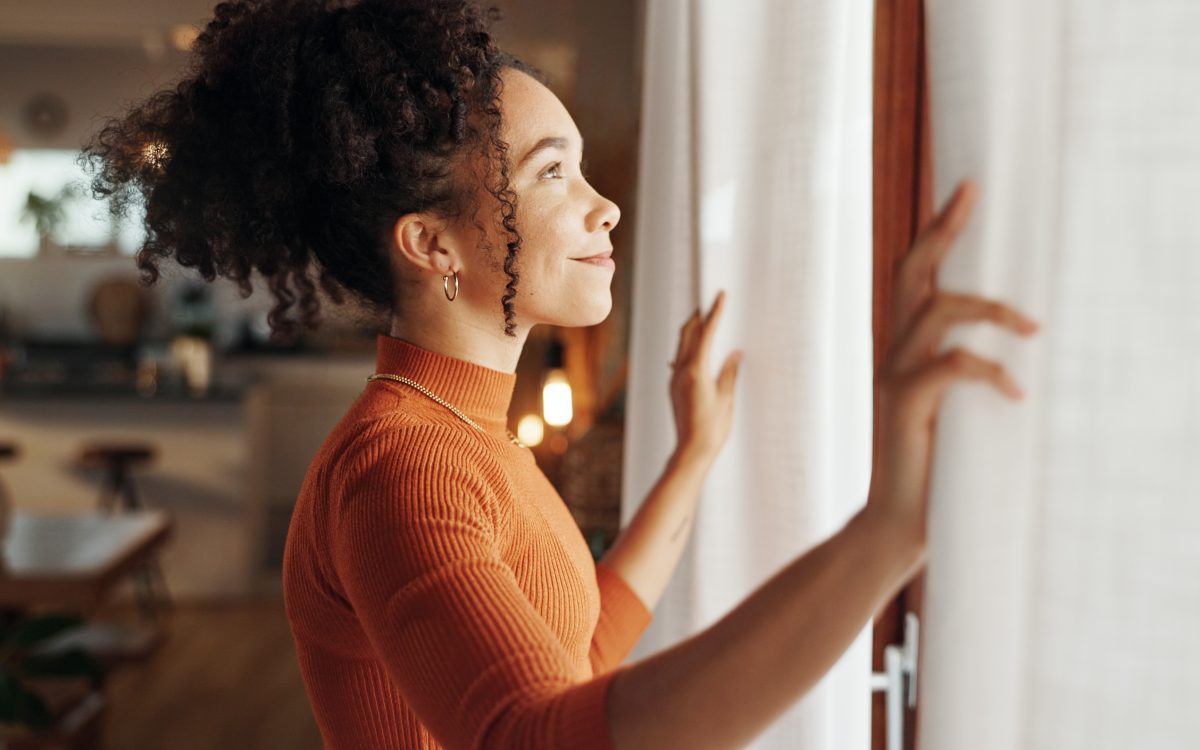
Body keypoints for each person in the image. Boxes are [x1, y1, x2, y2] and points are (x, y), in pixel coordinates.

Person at [84, 0, 1040, 747]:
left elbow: (578, 653)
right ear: (431, 243)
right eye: (552, 174)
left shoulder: (464, 433)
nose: (606, 208)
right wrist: (886, 535)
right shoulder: (402, 469)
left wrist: (696, 455)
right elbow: (536, 737)